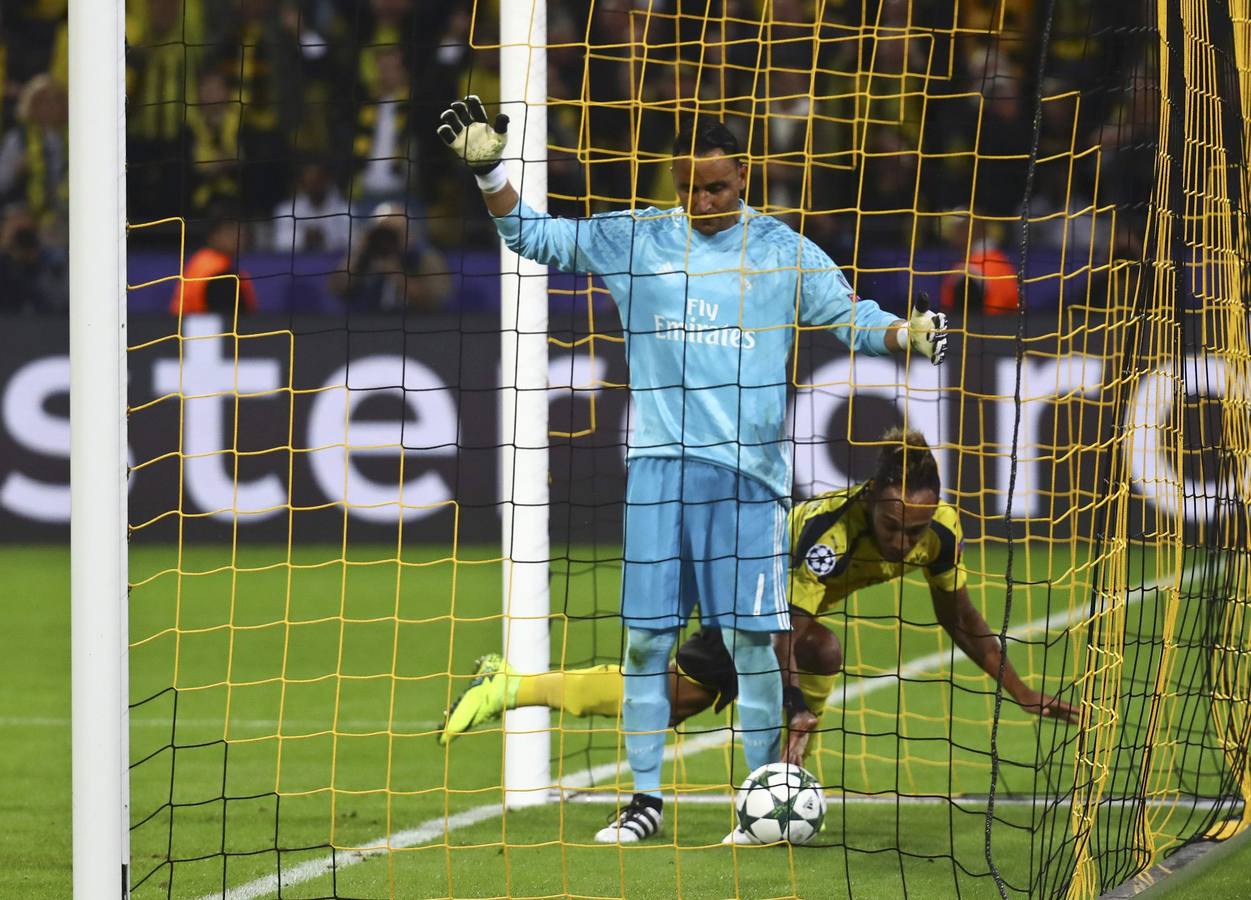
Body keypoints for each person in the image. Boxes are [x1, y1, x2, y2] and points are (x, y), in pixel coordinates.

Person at [437, 96, 949, 844]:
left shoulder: (781, 250)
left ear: (744, 175)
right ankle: (644, 801)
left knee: (751, 644)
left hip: (748, 484)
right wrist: (489, 175)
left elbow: (850, 316)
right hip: (656, 473)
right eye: (689, 187)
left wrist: (905, 332)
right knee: (645, 645)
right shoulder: (636, 238)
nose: (702, 200)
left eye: (715, 186)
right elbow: (533, 236)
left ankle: (758, 804)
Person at [439, 428, 1079, 844]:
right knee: (680, 698)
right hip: (741, 583)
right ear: (870, 500)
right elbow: (783, 633)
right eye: (892, 525)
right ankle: (510, 686)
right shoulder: (829, 536)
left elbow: (959, 619)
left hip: (778, 612)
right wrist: (796, 706)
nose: (902, 541)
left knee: (807, 655)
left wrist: (1019, 690)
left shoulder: (940, 530)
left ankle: (781, 777)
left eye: (912, 530)